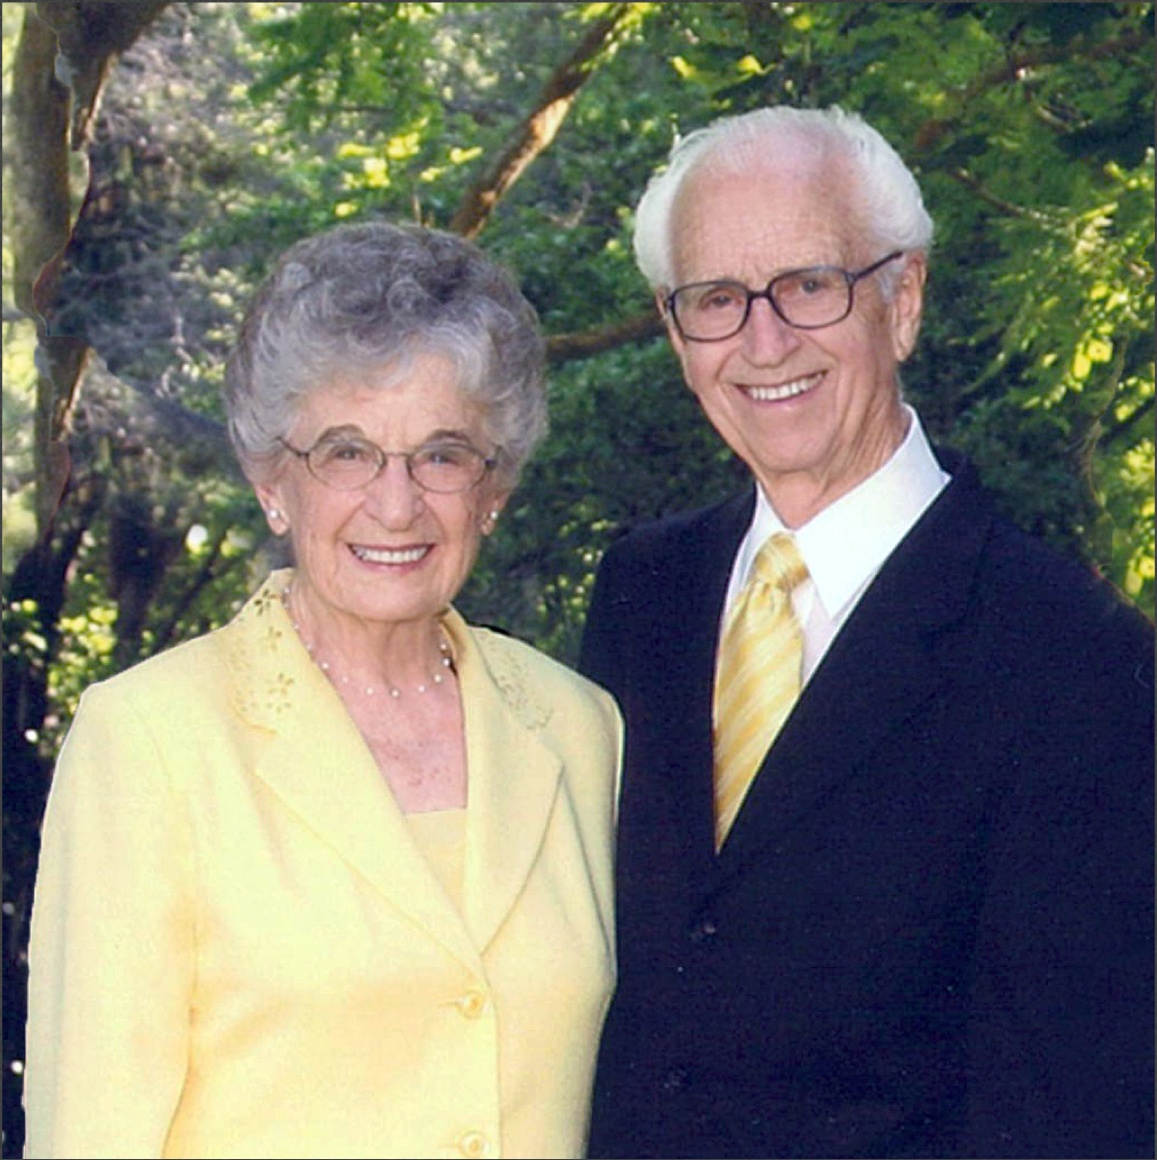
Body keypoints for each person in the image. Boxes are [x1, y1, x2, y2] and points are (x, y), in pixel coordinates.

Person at [580, 106, 1154, 1159]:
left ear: (903, 300)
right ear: (674, 332)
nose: (763, 341)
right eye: (716, 298)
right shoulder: (642, 595)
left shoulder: (1072, 658)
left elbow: (1071, 1110)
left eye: (809, 284)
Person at [24, 220, 621, 1159]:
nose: (396, 503)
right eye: (346, 452)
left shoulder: (578, 728)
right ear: (272, 479)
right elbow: (90, 1134)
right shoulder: (147, 739)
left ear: (493, 486)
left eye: (442, 454)